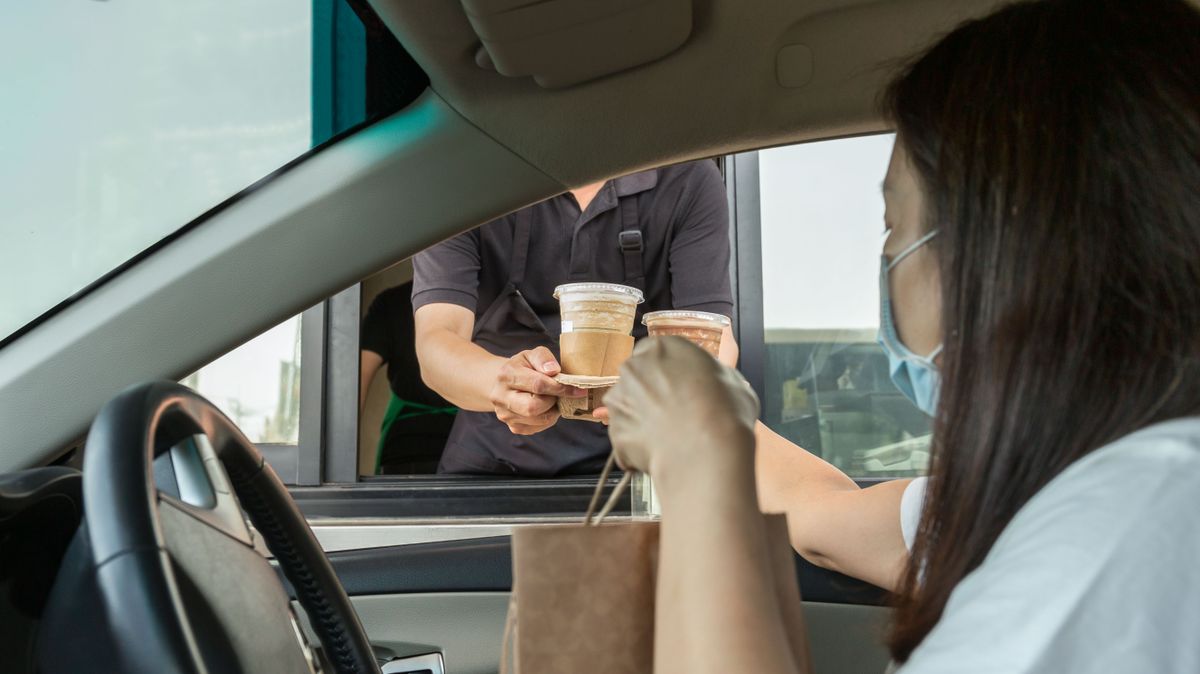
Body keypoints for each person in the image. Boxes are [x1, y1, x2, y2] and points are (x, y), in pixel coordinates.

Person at [604, 0, 1200, 671]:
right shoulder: (1066, 487)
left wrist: (699, 468)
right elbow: (827, 519)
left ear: (1004, 254)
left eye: (894, 227)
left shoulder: (1126, 531)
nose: (887, 265)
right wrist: (709, 419)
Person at [412, 161, 738, 476]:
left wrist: (677, 394)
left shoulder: (687, 178)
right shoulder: (463, 181)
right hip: (490, 466)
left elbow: (713, 339)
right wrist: (503, 381)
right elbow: (437, 341)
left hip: (640, 466)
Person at [360, 282, 457, 474]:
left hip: (405, 447)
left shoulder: (391, 300)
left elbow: (353, 386)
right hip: (474, 446)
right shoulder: (494, 297)